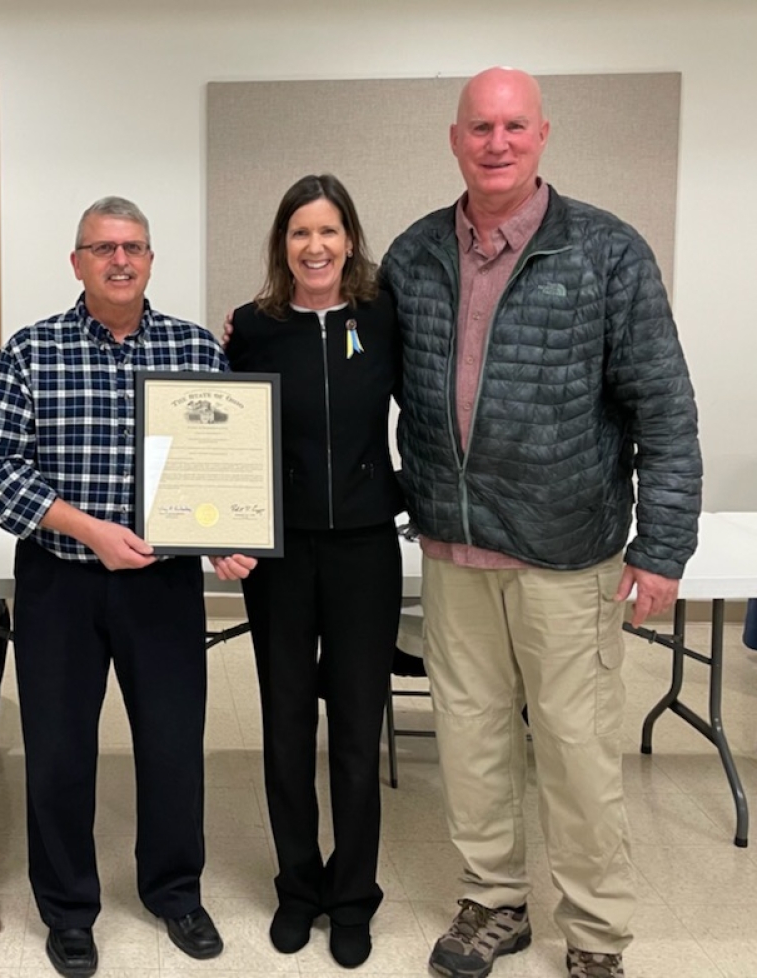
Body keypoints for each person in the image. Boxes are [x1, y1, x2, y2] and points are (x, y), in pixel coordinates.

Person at [378, 68, 702, 978]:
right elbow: (367, 379)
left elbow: (664, 410)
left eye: (514, 126)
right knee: (471, 736)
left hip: (568, 552)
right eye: (480, 126)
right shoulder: (413, 255)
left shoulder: (607, 251)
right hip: (453, 545)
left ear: (544, 134)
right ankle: (495, 900)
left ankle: (596, 934)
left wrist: (664, 546)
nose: (497, 142)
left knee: (575, 749)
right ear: (454, 139)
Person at [0, 196, 255, 978]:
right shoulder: (32, 351)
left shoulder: (194, 349)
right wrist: (89, 529)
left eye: (132, 247)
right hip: (61, 583)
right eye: (102, 248)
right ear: (77, 262)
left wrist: (226, 535)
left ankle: (174, 891)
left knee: (172, 747)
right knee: (60, 752)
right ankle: (67, 909)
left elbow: (224, 468)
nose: (119, 260)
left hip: (163, 587)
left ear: (151, 260)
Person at [226, 174, 402, 968]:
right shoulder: (253, 332)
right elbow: (225, 444)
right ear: (282, 245)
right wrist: (224, 530)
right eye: (300, 232)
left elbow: (433, 412)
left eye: (329, 230)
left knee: (359, 729)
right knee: (287, 723)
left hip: (367, 547)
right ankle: (299, 886)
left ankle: (353, 895)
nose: (316, 246)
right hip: (281, 553)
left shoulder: (385, 318)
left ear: (351, 239)